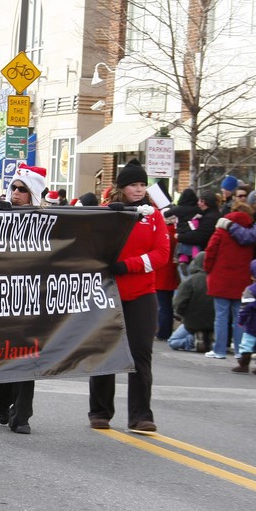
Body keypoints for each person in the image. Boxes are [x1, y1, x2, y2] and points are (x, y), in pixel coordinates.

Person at [89, 159, 170, 433]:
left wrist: (129, 265)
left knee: (140, 354)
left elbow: (161, 254)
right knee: (104, 352)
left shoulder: (154, 216)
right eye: (133, 184)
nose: (139, 189)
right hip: (108, 292)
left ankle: (140, 415)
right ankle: (100, 411)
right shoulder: (106, 213)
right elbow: (91, 249)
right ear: (121, 188)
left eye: (142, 184)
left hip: (142, 292)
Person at [0, 164, 48, 434]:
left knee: (28, 355)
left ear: (33, 193)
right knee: (2, 356)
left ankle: (22, 415)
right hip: (2, 298)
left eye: (21, 189)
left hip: (33, 298)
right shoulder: (0, 214)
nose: (15, 193)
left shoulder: (48, 220)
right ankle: (1, 400)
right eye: (12, 187)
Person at [202, 200, 255, 359]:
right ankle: (240, 350)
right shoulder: (251, 232)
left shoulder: (221, 231)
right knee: (240, 317)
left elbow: (210, 252)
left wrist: (208, 269)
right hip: (243, 280)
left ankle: (219, 350)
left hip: (221, 278)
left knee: (221, 317)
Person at [168, 252, 214, 352]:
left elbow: (179, 303)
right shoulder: (218, 280)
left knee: (173, 341)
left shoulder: (190, 281)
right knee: (216, 343)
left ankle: (193, 340)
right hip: (214, 323)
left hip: (192, 322)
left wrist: (180, 315)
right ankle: (210, 342)